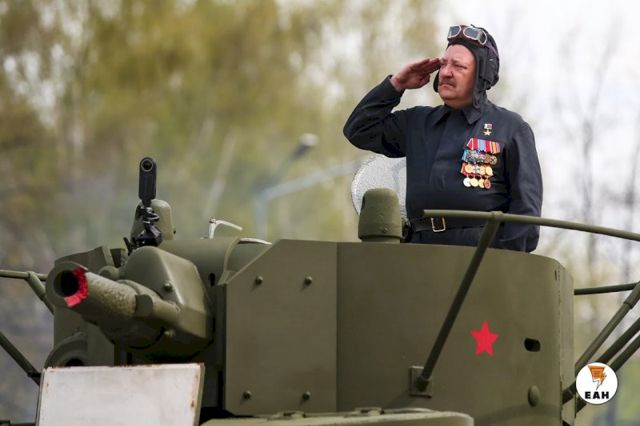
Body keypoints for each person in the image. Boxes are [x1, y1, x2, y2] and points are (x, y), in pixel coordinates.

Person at [343, 25, 542, 252]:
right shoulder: (418, 122)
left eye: (458, 66)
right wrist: (396, 84)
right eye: (444, 64)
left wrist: (500, 262)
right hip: (418, 254)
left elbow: (526, 217)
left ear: (481, 75)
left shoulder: (510, 128)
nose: (446, 72)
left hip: (479, 256)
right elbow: (359, 129)